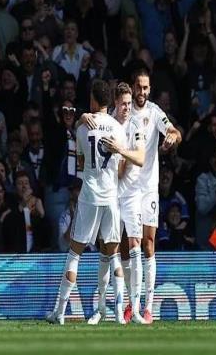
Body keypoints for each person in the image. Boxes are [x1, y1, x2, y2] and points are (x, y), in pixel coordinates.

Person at [46, 79, 127, 325]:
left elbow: (81, 163)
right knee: (113, 255)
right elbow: (121, 167)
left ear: (93, 99)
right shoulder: (117, 128)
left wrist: (82, 118)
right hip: (111, 196)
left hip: (89, 195)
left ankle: (60, 313)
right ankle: (119, 313)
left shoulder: (83, 129)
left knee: (74, 254)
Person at [84, 82, 146, 325]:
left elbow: (140, 157)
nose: (127, 108)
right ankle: (101, 307)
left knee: (135, 245)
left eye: (129, 104)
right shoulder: (107, 124)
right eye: (123, 104)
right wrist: (82, 116)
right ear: (115, 104)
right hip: (110, 194)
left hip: (131, 195)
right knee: (107, 249)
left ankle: (135, 309)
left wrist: (120, 150)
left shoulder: (135, 125)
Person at [129, 68, 182, 323]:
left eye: (145, 87)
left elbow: (175, 132)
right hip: (128, 188)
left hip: (149, 187)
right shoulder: (124, 111)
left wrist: (171, 137)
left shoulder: (154, 111)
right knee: (130, 245)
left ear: (149, 89)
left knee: (148, 244)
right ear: (132, 87)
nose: (142, 92)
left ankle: (148, 307)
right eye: (139, 87)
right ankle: (131, 304)